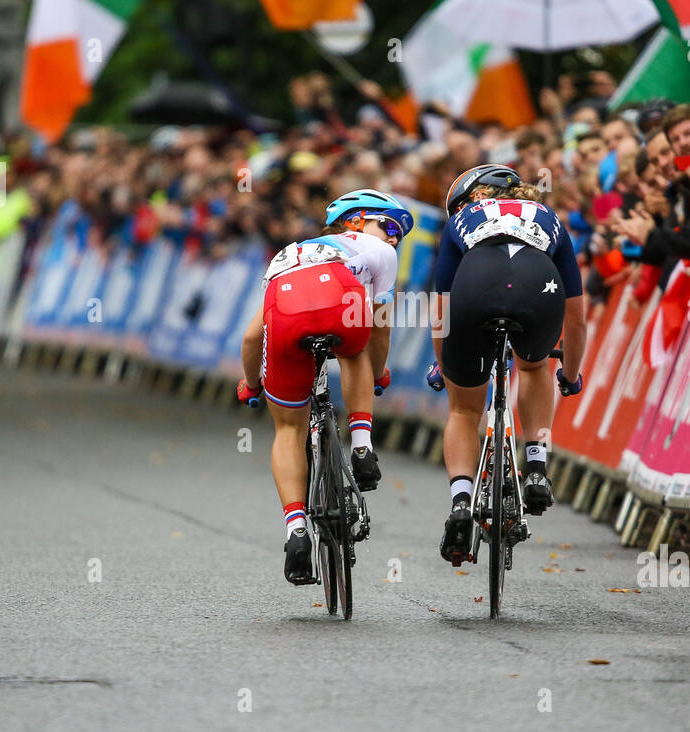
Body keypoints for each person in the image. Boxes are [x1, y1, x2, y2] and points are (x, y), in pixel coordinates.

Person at [237, 189, 413, 583]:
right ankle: (362, 447)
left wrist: (250, 386)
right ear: (355, 222)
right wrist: (379, 371)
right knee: (355, 351)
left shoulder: (285, 254)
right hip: (339, 302)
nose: (395, 237)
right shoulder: (377, 250)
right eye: (390, 225)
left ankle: (296, 528)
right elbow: (380, 326)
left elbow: (252, 338)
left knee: (287, 428)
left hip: (285, 312)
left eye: (400, 233)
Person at [426, 164, 587, 565]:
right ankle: (535, 465)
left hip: (476, 286)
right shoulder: (551, 219)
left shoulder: (462, 221)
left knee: (463, 410)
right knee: (533, 367)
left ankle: (461, 503)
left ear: (478, 196)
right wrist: (569, 374)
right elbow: (577, 318)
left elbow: (441, 309)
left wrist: (441, 362)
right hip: (539, 286)